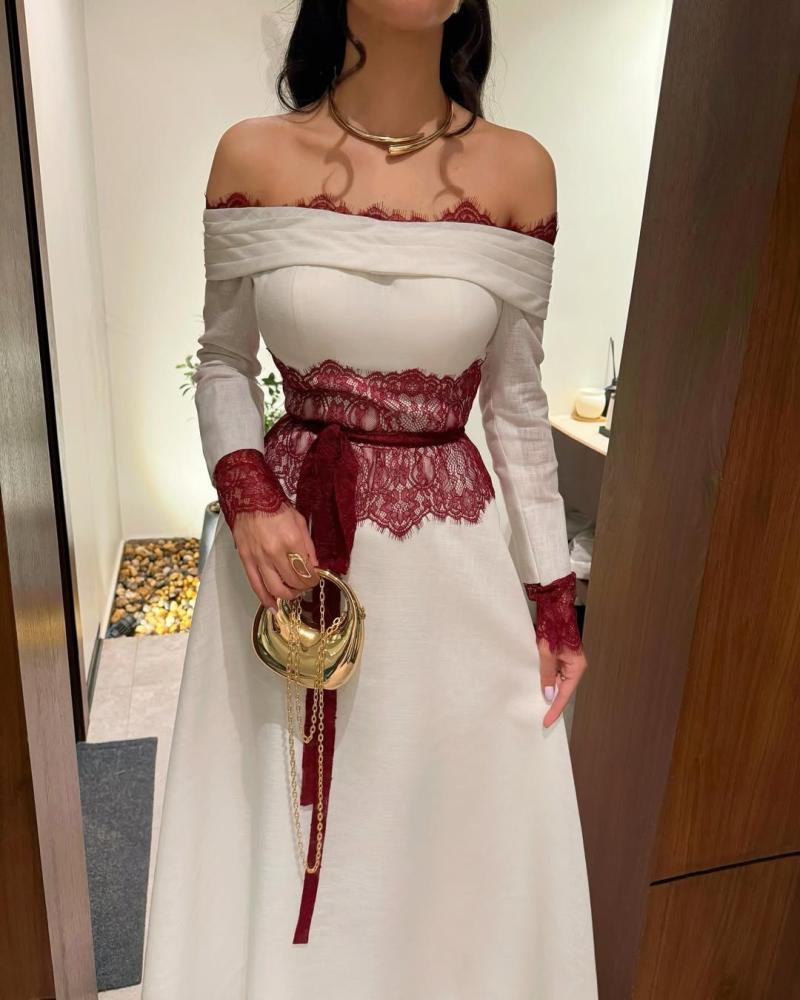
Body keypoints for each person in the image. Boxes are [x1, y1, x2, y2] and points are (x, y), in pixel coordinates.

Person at [140, 1, 598, 997]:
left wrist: (553, 601)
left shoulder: (518, 172)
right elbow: (221, 361)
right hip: (287, 561)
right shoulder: (254, 155)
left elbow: (516, 411)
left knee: (442, 844)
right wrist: (246, 488)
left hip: (452, 581)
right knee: (282, 828)